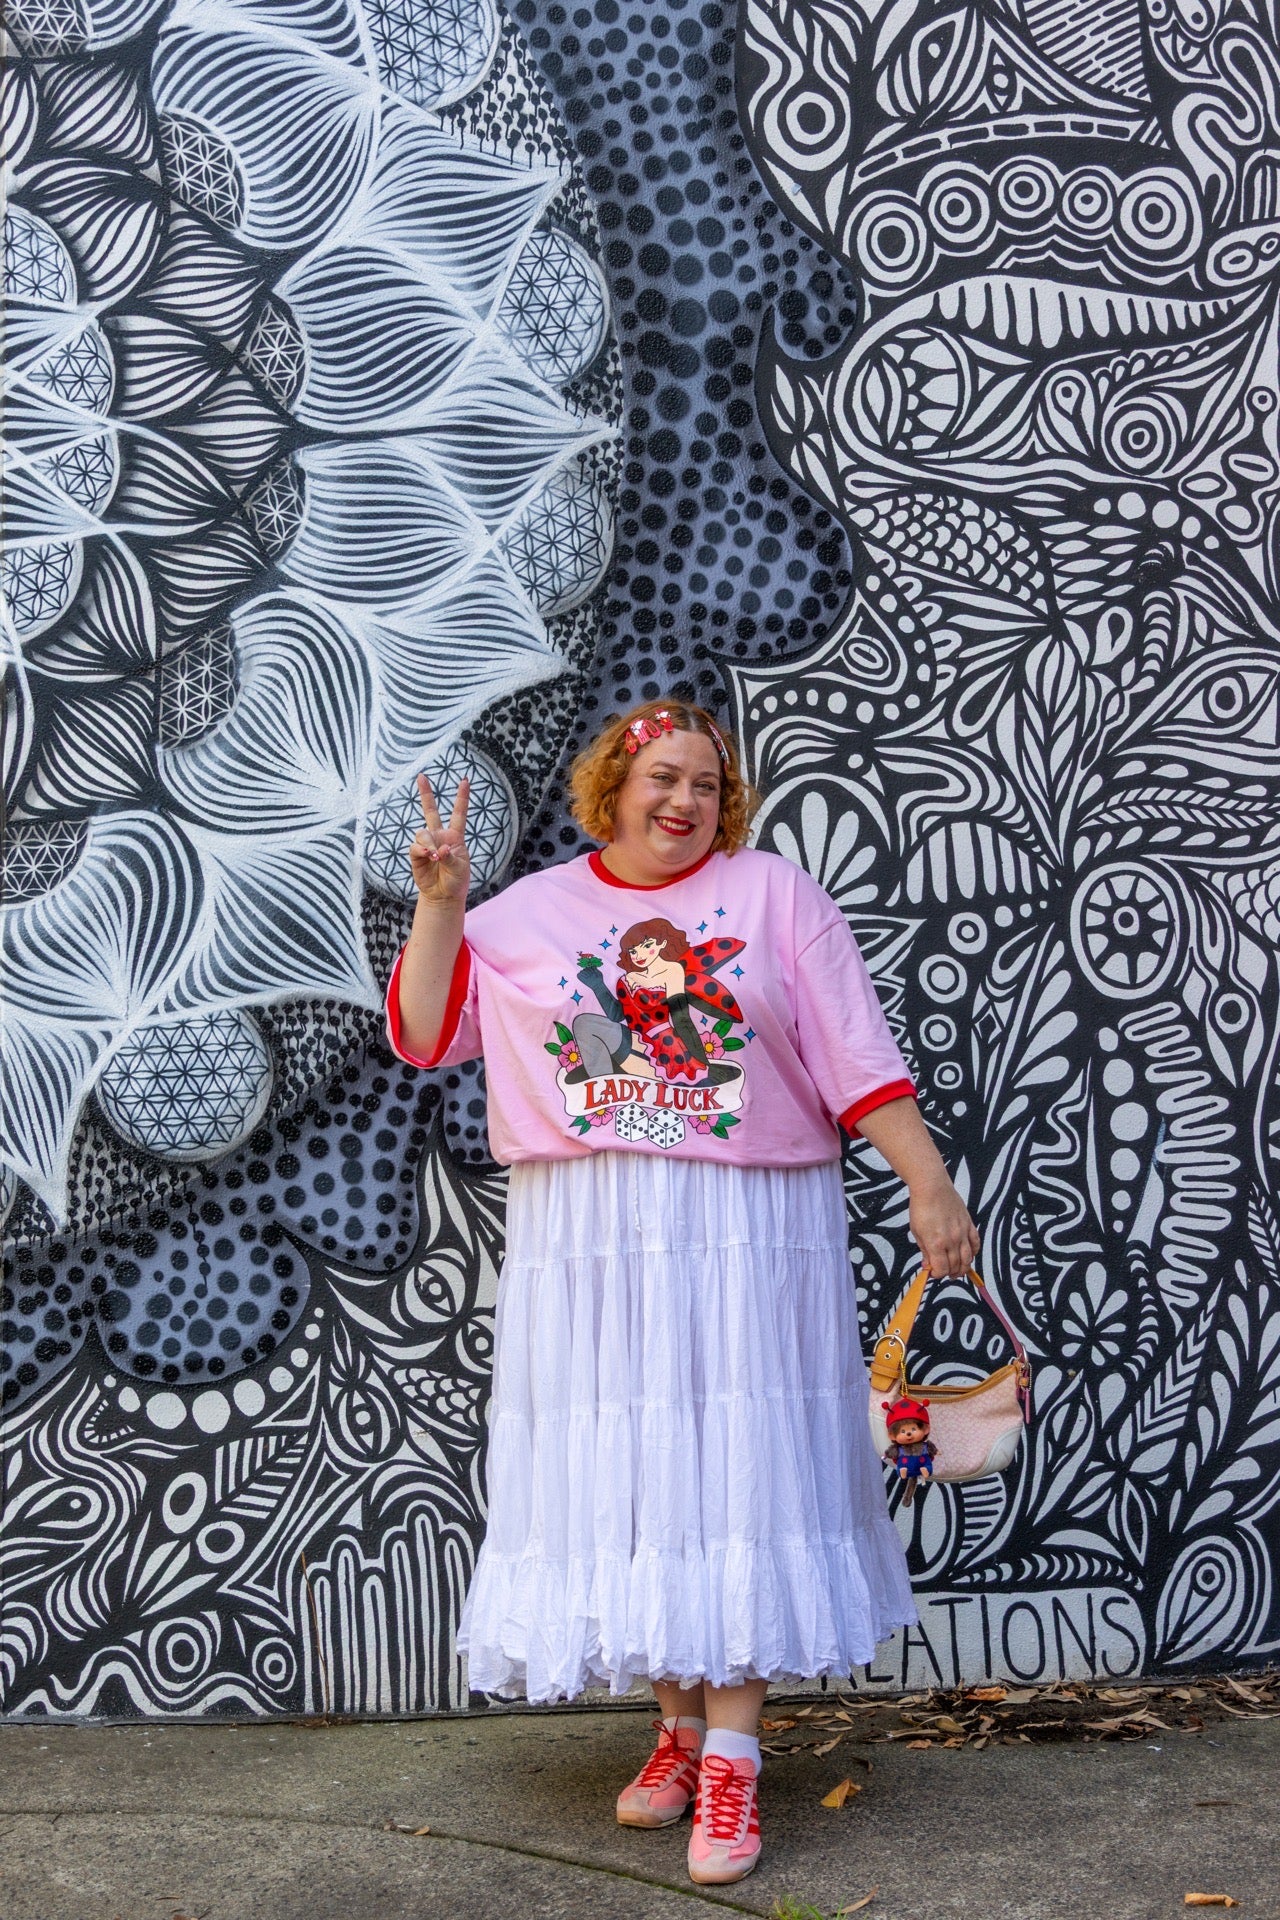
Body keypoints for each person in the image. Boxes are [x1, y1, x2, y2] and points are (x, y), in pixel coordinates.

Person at [388, 699, 979, 1887]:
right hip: (593, 1237)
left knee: (738, 1468)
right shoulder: (532, 911)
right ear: (612, 787)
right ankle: (675, 1730)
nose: (685, 801)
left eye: (707, 784)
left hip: (747, 1230)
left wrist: (929, 1185)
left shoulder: (776, 898)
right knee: (639, 1477)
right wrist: (441, 904)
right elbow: (424, 1032)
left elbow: (858, 1061)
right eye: (663, 777)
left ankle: (733, 1758)